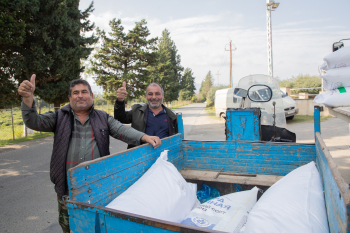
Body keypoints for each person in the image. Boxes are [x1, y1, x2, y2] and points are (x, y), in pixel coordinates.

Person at [18, 74, 161, 233]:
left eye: (84, 92)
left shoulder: (103, 117)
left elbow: (122, 130)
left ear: (91, 96)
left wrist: (144, 137)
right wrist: (28, 98)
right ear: (70, 97)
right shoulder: (59, 117)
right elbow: (34, 122)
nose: (80, 95)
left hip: (97, 186)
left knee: (97, 224)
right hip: (67, 188)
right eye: (76, 92)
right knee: (69, 225)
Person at [114, 82, 178, 149]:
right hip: (139, 155)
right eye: (150, 94)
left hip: (163, 155)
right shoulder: (137, 110)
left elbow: (177, 137)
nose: (154, 97)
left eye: (157, 94)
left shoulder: (172, 115)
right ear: (146, 95)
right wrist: (120, 101)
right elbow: (120, 118)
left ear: (163, 95)